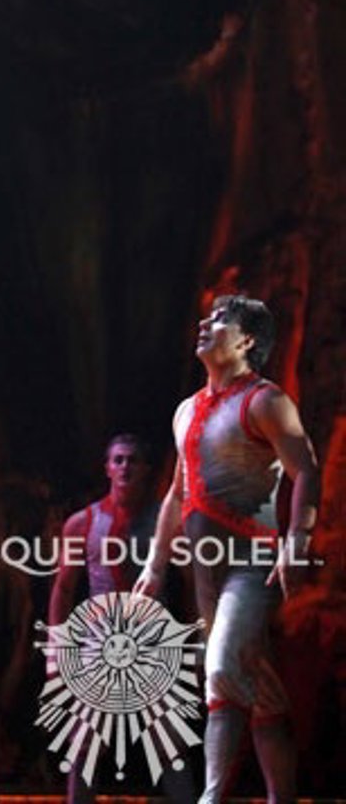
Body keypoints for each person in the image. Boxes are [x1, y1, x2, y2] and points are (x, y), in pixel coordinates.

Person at [134, 295, 320, 804]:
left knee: (220, 671)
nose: (204, 323)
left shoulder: (264, 401)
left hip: (251, 565)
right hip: (206, 574)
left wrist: (296, 541)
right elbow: (178, 493)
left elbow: (306, 469)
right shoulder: (186, 410)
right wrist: (155, 566)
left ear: (246, 341)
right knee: (259, 686)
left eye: (220, 320)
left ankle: (210, 797)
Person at [49, 434, 195, 804]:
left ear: (146, 469)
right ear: (107, 469)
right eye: (118, 460)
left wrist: (197, 642)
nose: (125, 466)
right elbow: (63, 589)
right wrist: (56, 650)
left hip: (153, 645)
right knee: (84, 746)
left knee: (170, 746)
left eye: (132, 459)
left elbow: (192, 585)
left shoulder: (167, 523)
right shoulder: (82, 523)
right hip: (100, 646)